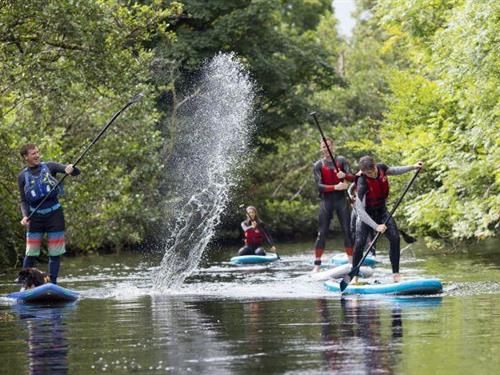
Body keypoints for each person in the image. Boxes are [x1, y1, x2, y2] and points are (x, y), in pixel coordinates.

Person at [352, 155, 422, 283]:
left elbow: (394, 170)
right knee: (360, 242)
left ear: (375, 165)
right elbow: (360, 211)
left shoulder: (381, 167)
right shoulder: (362, 182)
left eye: (372, 170)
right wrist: (376, 226)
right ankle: (354, 276)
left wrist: (412, 167)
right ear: (363, 172)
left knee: (395, 238)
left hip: (382, 211)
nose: (372, 174)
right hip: (366, 215)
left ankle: (396, 274)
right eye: (368, 173)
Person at [18, 143, 80, 284]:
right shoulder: (22, 176)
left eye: (37, 152)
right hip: (35, 217)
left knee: (55, 253)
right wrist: (24, 215)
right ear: (25, 157)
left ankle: (52, 283)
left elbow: (74, 172)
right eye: (33, 153)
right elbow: (23, 201)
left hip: (54, 215)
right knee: (31, 252)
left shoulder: (50, 166)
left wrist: (71, 169)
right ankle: (24, 284)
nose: (37, 155)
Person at [312, 137, 355, 272]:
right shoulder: (318, 165)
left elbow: (353, 177)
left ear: (333, 146)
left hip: (341, 200)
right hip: (327, 201)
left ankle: (352, 262)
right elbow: (319, 186)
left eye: (328, 146)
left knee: (347, 231)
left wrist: (345, 177)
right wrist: (335, 187)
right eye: (324, 147)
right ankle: (317, 265)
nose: (326, 149)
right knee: (322, 233)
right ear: (321, 149)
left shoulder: (341, 161)